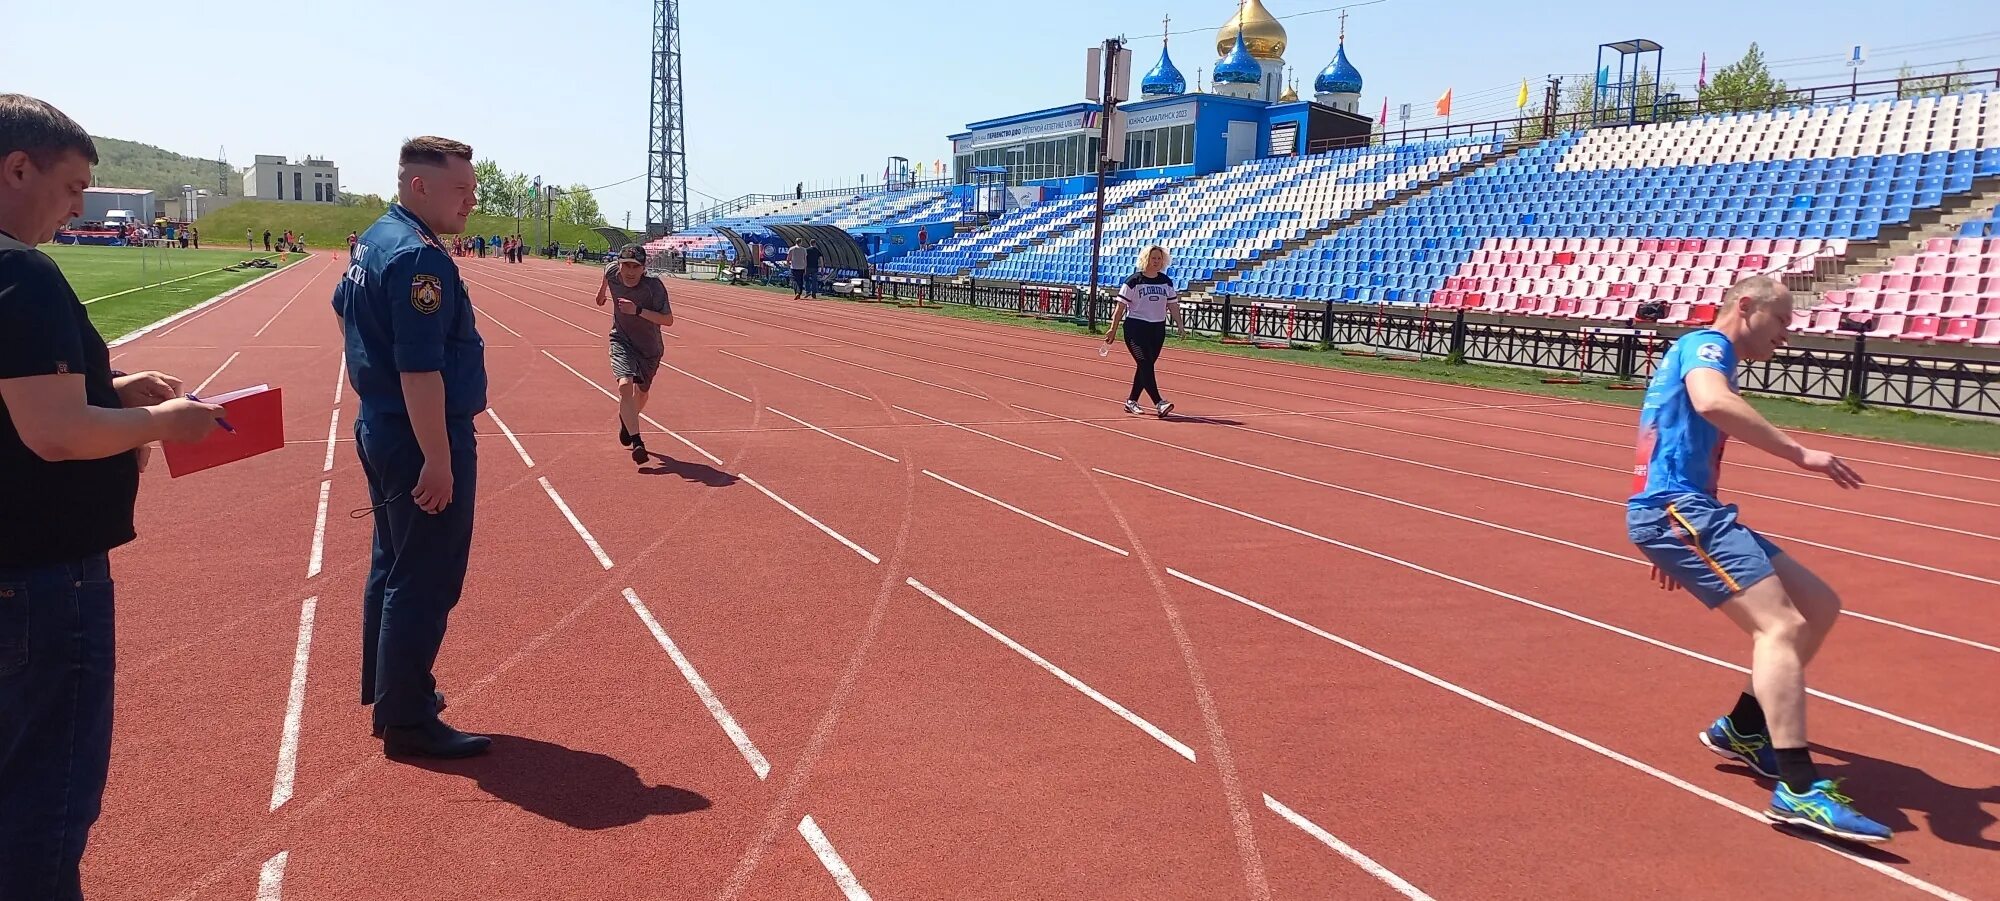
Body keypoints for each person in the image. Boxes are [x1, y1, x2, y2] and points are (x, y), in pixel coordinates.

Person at [0, 93, 224, 901]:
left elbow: (23, 399)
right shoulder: (19, 271)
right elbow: (53, 431)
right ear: (17, 167)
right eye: (70, 187)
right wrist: (164, 422)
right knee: (44, 808)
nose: (76, 207)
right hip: (40, 580)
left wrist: (114, 389)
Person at [1626, 275, 1889, 844]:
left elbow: (1669, 437)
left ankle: (1745, 728)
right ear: (1746, 308)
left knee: (1818, 605)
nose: (1787, 337)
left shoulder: (1712, 355)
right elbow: (1711, 402)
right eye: (1783, 322)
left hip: (1687, 510)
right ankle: (1797, 788)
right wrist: (1799, 454)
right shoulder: (1706, 346)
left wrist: (1675, 536)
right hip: (1677, 507)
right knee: (1781, 624)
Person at [330, 135, 490, 759]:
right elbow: (421, 371)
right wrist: (439, 457)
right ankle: (407, 718)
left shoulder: (375, 239)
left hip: (382, 424)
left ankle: (391, 687)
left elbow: (340, 310)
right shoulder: (421, 260)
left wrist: (366, 382)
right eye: (461, 190)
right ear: (419, 185)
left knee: (392, 563)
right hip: (421, 431)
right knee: (426, 575)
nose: (471, 201)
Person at [593, 245, 673, 464]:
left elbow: (668, 320)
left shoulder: (654, 288)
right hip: (621, 339)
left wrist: (637, 310)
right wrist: (601, 293)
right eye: (625, 265)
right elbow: (606, 273)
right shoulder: (612, 272)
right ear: (619, 264)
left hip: (649, 348)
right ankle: (638, 442)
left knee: (642, 393)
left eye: (635, 267)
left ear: (643, 268)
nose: (629, 271)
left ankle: (626, 418)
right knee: (624, 385)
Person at [1101, 244, 1180, 418]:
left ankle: (1131, 401)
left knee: (1146, 366)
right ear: (1146, 259)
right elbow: (1120, 307)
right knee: (1145, 363)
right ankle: (1159, 402)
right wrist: (1112, 329)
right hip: (1135, 329)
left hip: (1157, 329)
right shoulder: (1134, 281)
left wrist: (1180, 326)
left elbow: (1173, 305)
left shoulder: (1166, 281)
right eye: (1153, 258)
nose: (1156, 262)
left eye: (1159, 258)